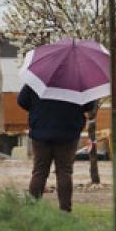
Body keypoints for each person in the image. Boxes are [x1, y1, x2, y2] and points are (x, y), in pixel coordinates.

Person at [17, 84, 96, 212]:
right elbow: (89, 105)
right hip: (68, 132)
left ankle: (31, 209)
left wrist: (37, 109)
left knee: (39, 171)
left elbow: (22, 100)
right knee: (64, 171)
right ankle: (65, 211)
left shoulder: (40, 77)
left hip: (41, 130)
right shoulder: (77, 80)